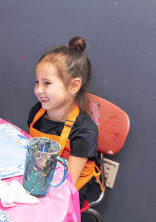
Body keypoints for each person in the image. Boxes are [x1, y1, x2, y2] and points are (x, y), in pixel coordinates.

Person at [27, 36, 104, 207]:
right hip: (42, 174)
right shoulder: (37, 112)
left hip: (69, 186)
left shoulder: (84, 130)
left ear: (74, 86)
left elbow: (69, 182)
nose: (38, 90)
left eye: (47, 83)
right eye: (37, 82)